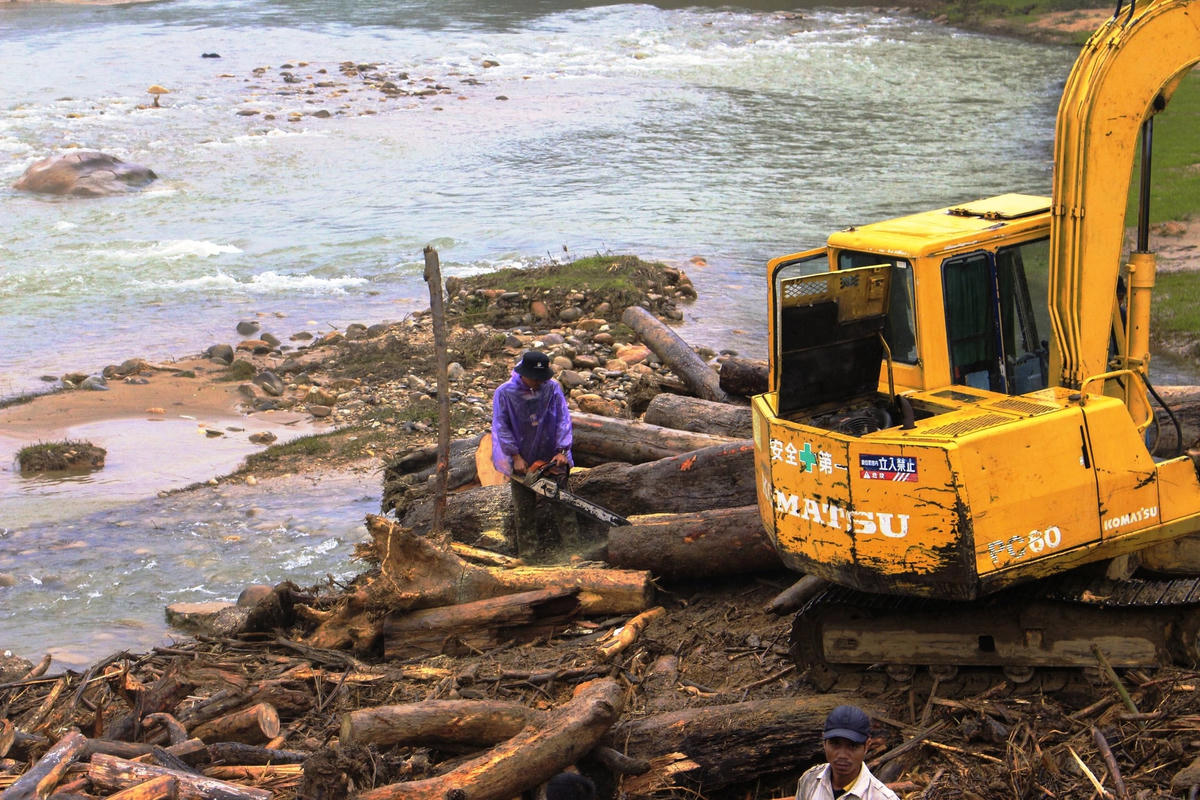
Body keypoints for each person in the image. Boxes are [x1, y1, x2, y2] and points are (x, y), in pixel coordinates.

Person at [492, 350, 580, 561]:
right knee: (524, 510)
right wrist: (515, 456)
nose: (539, 382)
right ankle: (528, 556)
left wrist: (562, 450)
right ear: (523, 373)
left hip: (549, 455)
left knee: (563, 505)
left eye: (542, 378)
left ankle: (574, 551)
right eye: (535, 378)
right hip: (521, 457)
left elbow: (562, 419)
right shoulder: (505, 393)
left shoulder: (551, 388)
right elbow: (501, 426)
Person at [794, 705, 899, 800]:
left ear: (867, 745)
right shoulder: (809, 781)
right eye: (835, 744)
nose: (842, 755)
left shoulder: (882, 797)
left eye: (852, 746)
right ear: (824, 743)